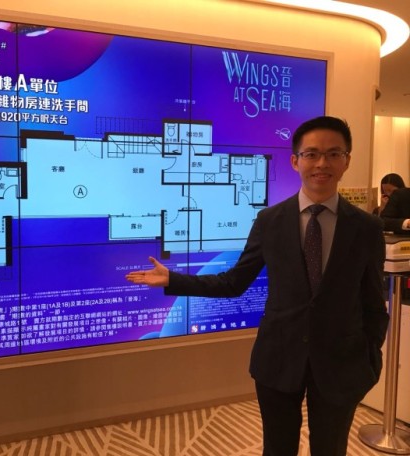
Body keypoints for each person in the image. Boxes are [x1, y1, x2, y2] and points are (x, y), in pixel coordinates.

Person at [126, 116, 389, 456]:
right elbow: (234, 281)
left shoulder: (367, 228)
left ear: (346, 161)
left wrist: (370, 359)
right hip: (278, 358)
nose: (322, 163)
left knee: (330, 449)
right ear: (295, 161)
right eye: (311, 154)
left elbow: (373, 303)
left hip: (341, 363)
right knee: (277, 449)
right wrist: (173, 279)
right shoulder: (270, 221)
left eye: (333, 154)